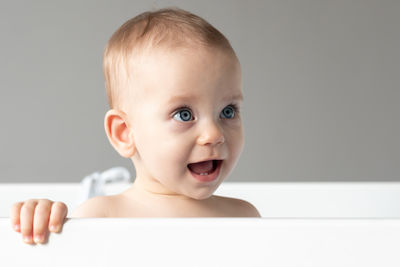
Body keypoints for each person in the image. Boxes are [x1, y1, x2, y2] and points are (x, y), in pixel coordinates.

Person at [10, 6, 261, 245]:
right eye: (184, 114)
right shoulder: (101, 216)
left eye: (228, 111)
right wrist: (41, 222)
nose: (214, 134)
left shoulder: (244, 216)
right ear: (124, 133)